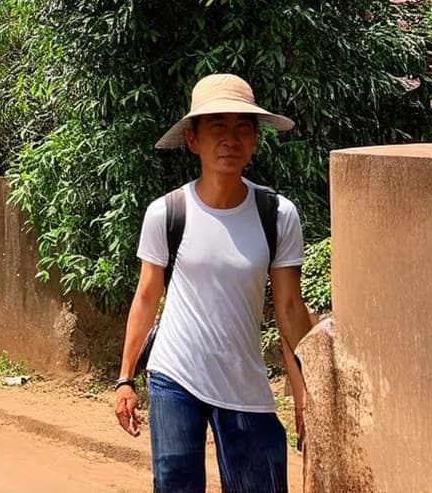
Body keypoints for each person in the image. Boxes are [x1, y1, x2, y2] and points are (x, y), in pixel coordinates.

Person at [114, 74, 315, 493]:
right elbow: (147, 297)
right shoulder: (167, 212)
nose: (230, 139)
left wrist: (304, 392)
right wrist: (126, 378)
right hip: (174, 375)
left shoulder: (277, 215)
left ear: (255, 140)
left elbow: (290, 309)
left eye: (243, 127)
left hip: (244, 381)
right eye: (217, 126)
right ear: (193, 139)